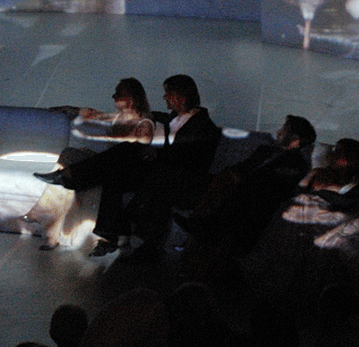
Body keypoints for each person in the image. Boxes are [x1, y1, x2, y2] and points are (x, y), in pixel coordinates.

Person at [35, 74, 220, 258]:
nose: (164, 97)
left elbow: (192, 159)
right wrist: (72, 109)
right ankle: (108, 236)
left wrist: (158, 154)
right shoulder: (169, 118)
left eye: (168, 93)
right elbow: (107, 115)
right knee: (115, 171)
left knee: (127, 151)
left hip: (176, 179)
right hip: (155, 172)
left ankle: (71, 176)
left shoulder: (206, 127)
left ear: (182, 95)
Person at [28, 78, 155, 249]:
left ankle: (68, 179)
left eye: (117, 93)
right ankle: (55, 203)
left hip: (128, 170)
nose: (113, 97)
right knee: (69, 155)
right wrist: (68, 109)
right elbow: (91, 113)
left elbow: (139, 149)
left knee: (125, 150)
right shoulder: (117, 118)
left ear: (129, 98)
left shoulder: (145, 122)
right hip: (107, 166)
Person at [177, 114, 315, 257]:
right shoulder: (267, 150)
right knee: (224, 181)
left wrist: (244, 180)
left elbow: (275, 185)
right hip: (243, 191)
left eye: (285, 129)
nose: (280, 132)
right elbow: (243, 167)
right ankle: (204, 228)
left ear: (295, 137)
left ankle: (208, 229)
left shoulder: (296, 163)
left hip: (258, 202)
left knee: (244, 193)